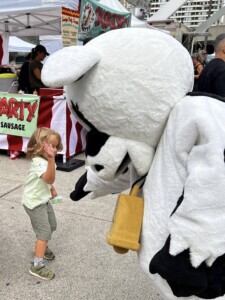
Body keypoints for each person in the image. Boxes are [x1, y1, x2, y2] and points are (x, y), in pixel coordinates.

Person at [21, 127, 63, 280]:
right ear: (39, 146)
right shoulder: (40, 162)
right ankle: (37, 265)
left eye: (56, 146)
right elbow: (48, 178)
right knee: (44, 232)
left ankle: (41, 245)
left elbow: (46, 180)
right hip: (34, 202)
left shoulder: (46, 160)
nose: (55, 149)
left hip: (42, 198)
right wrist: (51, 160)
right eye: (51, 145)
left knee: (52, 225)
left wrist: (51, 189)